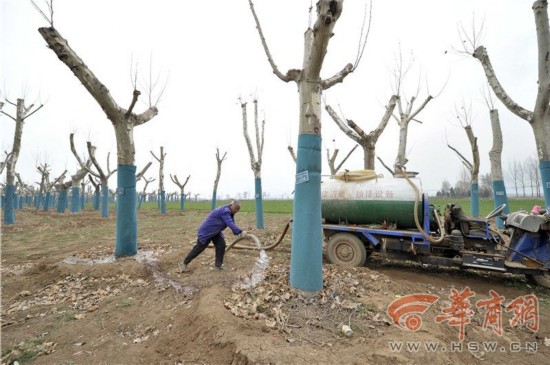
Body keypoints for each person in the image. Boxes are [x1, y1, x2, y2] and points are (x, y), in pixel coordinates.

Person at [181, 200, 246, 272]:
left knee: (221, 245)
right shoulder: (225, 211)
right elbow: (229, 222)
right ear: (231, 205)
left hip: (215, 232)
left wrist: (237, 233)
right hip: (206, 232)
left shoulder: (229, 211)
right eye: (236, 208)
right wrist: (240, 231)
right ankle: (184, 263)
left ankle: (218, 265)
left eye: (238, 209)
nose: (236, 211)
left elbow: (231, 222)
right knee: (199, 248)